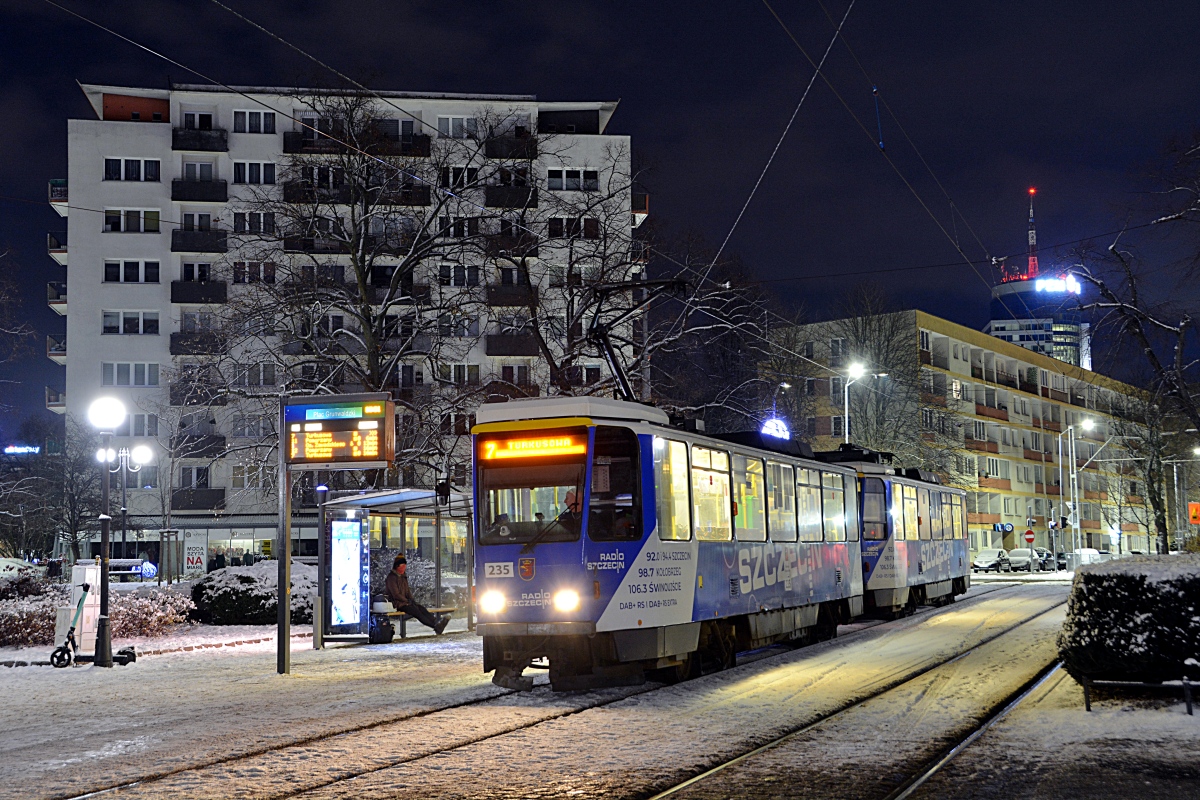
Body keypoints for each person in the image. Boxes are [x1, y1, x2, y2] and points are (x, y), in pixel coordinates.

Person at [384, 554, 449, 635]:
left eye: (405, 565)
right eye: (402, 565)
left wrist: (411, 600)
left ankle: (436, 622)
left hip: (406, 602)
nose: (404, 567)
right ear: (397, 566)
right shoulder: (391, 578)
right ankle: (436, 626)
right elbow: (396, 594)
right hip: (397, 604)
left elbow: (407, 590)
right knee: (416, 612)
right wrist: (407, 600)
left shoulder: (403, 577)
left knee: (421, 608)